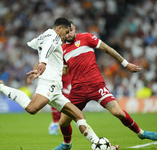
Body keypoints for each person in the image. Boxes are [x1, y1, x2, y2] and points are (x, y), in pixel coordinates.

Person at [0, 17, 119, 150]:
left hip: (56, 87)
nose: (66, 36)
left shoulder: (44, 35)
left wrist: (40, 53)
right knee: (32, 108)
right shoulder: (54, 37)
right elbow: (49, 46)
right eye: (65, 32)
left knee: (79, 115)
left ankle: (99, 145)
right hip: (49, 83)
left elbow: (33, 43)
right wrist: (43, 62)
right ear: (59, 28)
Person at [53, 20, 157, 149]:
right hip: (77, 90)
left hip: (96, 86)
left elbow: (107, 49)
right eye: (66, 32)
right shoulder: (62, 50)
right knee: (63, 122)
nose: (68, 34)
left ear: (74, 28)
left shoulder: (86, 37)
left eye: (70, 30)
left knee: (118, 112)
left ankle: (141, 133)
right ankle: (66, 144)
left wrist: (125, 64)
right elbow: (64, 71)